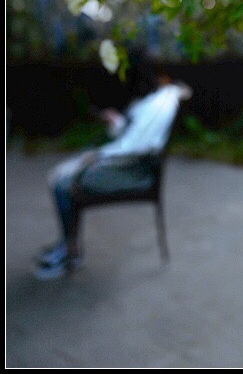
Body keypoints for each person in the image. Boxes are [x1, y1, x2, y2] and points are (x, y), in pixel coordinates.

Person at [34, 72, 192, 279]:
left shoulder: (160, 103)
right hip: (129, 164)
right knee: (63, 176)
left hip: (132, 170)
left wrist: (98, 157)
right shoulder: (156, 100)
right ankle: (68, 245)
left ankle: (69, 251)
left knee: (63, 183)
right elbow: (134, 135)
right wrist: (118, 123)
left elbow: (137, 146)